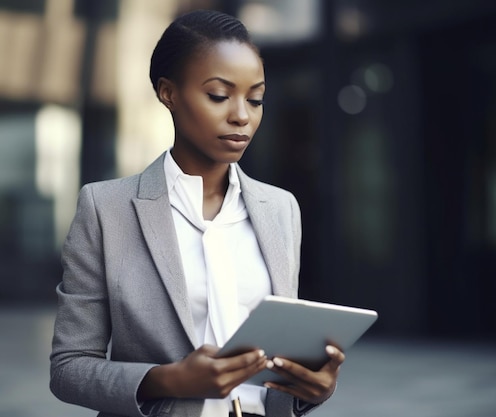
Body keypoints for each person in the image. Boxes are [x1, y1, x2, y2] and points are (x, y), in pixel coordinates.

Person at [50, 9, 344, 417]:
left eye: (255, 98)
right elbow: (69, 369)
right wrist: (170, 380)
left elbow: (278, 369)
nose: (242, 114)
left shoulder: (280, 208)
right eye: (219, 95)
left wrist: (312, 389)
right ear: (168, 93)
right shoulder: (105, 209)